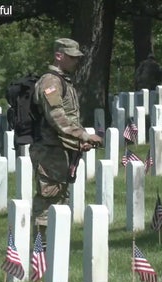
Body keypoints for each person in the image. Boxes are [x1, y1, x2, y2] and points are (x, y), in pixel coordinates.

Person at [30, 38, 103, 243]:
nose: (76, 61)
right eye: (71, 57)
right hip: (48, 151)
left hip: (59, 149)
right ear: (59, 56)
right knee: (49, 199)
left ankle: (52, 249)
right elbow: (57, 118)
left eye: (77, 57)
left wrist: (79, 143)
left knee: (60, 197)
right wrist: (85, 136)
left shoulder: (63, 80)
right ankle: (40, 250)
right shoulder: (50, 81)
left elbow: (69, 118)